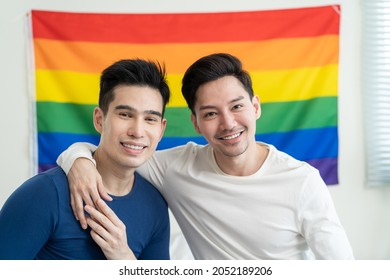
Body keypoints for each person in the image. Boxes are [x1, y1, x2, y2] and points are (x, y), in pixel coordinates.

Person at [57, 53, 354, 260]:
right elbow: (112, 156)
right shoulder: (176, 167)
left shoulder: (301, 181)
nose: (228, 123)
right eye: (211, 113)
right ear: (196, 123)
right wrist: (79, 161)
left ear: (256, 107)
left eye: (237, 107)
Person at [0, 59, 171, 260]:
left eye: (150, 119)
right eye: (125, 114)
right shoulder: (43, 194)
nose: (137, 131)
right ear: (99, 119)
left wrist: (125, 259)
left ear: (161, 129)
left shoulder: (155, 205)